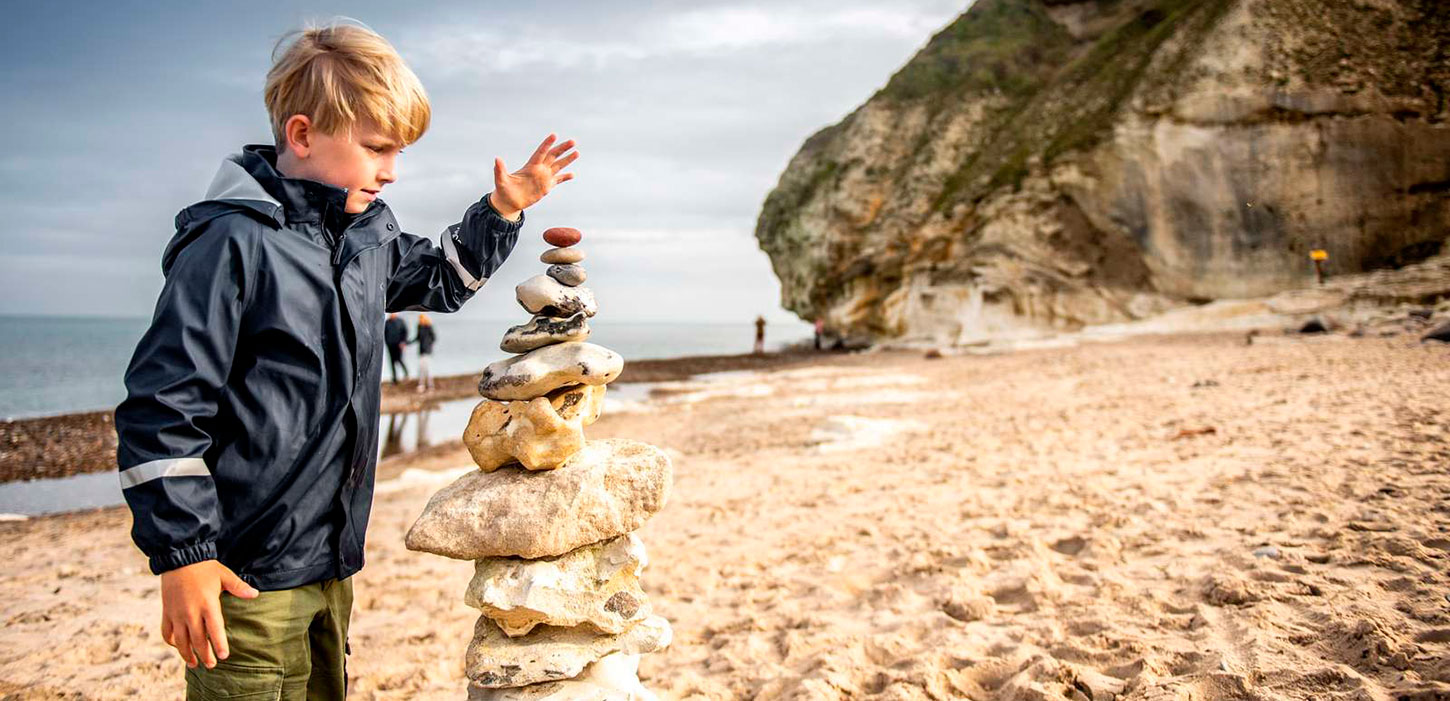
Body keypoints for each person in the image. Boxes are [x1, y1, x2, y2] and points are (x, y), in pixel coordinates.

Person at [112, 22, 578, 700]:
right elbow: (161, 409)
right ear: (302, 135)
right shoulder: (230, 244)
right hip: (243, 574)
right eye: (376, 147)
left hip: (330, 564)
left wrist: (503, 207)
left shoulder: (367, 237)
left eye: (398, 152)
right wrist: (184, 558)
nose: (391, 169)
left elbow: (444, 278)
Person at [410, 313, 436, 393]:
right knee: (421, 368)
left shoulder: (429, 327)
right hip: (421, 350)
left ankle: (430, 385)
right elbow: (417, 337)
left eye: (421, 318)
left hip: (427, 351)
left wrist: (429, 346)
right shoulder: (419, 327)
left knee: (427, 368)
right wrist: (408, 342)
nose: (420, 320)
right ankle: (422, 384)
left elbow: (434, 338)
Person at [384, 312, 409, 384]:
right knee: (392, 362)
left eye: (393, 313)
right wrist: (386, 342)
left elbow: (405, 332)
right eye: (391, 313)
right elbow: (384, 333)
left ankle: (406, 374)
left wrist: (403, 342)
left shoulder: (400, 321)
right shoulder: (387, 322)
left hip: (398, 345)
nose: (392, 314)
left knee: (399, 359)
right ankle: (394, 379)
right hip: (390, 345)